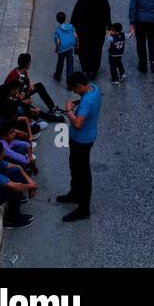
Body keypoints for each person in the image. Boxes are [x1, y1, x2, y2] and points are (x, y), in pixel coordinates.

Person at [57, 71, 101, 221]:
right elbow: (86, 102)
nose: (74, 92)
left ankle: (84, 209)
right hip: (79, 139)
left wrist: (69, 110)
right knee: (74, 166)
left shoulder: (87, 101)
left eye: (74, 89)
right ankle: (74, 194)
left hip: (82, 140)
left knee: (83, 173)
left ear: (80, 86)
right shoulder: (94, 88)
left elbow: (77, 124)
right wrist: (77, 103)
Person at [71, 0, 112, 78]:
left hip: (83, 30)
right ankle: (93, 70)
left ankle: (85, 68)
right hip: (98, 31)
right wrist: (109, 26)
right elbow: (107, 13)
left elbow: (75, 13)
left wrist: (72, 26)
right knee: (96, 50)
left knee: (84, 49)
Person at [4, 52, 61, 118]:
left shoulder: (22, 70)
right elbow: (10, 95)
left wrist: (30, 84)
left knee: (39, 86)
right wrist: (22, 101)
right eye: (29, 63)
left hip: (22, 92)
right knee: (34, 110)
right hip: (16, 98)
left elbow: (26, 79)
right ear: (27, 65)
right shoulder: (15, 77)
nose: (30, 64)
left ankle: (52, 107)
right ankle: (51, 117)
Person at [54, 11, 77, 83]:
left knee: (60, 62)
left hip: (62, 49)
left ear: (57, 20)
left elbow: (58, 42)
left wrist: (57, 49)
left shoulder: (57, 30)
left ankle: (58, 76)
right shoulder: (71, 26)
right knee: (70, 64)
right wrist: (77, 43)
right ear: (65, 18)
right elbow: (75, 35)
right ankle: (70, 83)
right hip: (70, 47)